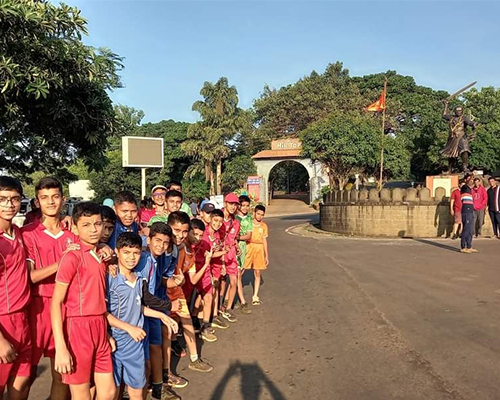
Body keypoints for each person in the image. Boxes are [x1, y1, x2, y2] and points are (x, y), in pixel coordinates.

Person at [51, 202, 116, 400]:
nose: (94, 229)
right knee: (81, 394)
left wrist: (105, 333)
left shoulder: (101, 255)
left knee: (109, 392)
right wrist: (61, 347)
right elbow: (56, 303)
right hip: (78, 328)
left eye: (97, 224)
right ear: (75, 227)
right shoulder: (72, 257)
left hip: (99, 326)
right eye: (86, 225)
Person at [21, 177, 78, 400]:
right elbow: (31, 276)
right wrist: (62, 261)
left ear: (63, 199)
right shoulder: (28, 233)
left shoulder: (72, 235)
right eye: (45, 198)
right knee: (26, 373)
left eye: (55, 196)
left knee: (62, 372)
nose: (51, 202)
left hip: (65, 307)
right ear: (37, 202)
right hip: (37, 308)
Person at [106, 232, 178, 400]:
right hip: (113, 343)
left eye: (136, 253)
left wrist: (162, 316)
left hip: (135, 344)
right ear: (117, 251)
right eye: (126, 252)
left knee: (137, 390)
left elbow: (139, 306)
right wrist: (128, 328)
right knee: (111, 392)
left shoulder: (139, 279)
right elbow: (102, 313)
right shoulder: (109, 278)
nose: (132, 257)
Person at [135, 222, 180, 400]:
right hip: (140, 313)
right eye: (158, 240)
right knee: (142, 361)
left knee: (154, 348)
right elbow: (143, 295)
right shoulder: (144, 260)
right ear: (149, 239)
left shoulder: (153, 259)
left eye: (165, 242)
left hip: (150, 311)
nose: (161, 245)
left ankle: (158, 387)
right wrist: (168, 306)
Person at [166, 212, 213, 374]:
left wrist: (206, 263)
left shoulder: (188, 253)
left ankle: (194, 359)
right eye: (176, 230)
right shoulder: (161, 246)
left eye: (184, 231)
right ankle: (165, 374)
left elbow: (192, 280)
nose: (180, 235)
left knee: (186, 322)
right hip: (161, 296)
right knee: (165, 333)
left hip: (177, 293)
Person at [0, 176, 32, 399]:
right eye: (2, 199)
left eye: (14, 199)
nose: (9, 204)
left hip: (23, 319)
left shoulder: (17, 233)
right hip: (3, 322)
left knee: (20, 386)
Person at [219, 193, 241, 323]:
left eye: (235, 204)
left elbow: (234, 238)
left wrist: (237, 247)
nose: (233, 207)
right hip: (219, 254)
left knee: (234, 281)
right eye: (231, 204)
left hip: (231, 255)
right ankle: (218, 307)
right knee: (220, 282)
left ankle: (228, 308)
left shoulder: (236, 222)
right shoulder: (217, 219)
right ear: (225, 203)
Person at [441, 101, 478, 173]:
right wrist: (446, 105)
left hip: (462, 136)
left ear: (462, 111)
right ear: (454, 111)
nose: (458, 112)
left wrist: (474, 124)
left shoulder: (464, 118)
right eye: (457, 110)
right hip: (453, 138)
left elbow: (469, 122)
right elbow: (444, 115)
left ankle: (465, 167)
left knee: (465, 150)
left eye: (460, 110)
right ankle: (449, 169)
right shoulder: (451, 117)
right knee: (451, 154)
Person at [243, 205, 269, 305]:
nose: (260, 216)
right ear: (254, 213)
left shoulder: (264, 226)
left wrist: (266, 255)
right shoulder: (248, 223)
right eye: (258, 214)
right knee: (242, 269)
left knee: (257, 272)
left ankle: (255, 295)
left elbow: (264, 240)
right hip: (249, 246)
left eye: (262, 215)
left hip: (259, 248)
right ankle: (235, 291)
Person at [235, 195, 252, 314]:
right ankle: (242, 301)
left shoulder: (249, 219)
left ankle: (228, 300)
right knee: (237, 275)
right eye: (243, 205)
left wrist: (237, 237)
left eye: (247, 205)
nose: (245, 208)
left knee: (238, 275)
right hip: (234, 248)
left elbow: (248, 236)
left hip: (243, 248)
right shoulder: (234, 218)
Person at [459, 176, 477, 254]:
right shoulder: (464, 187)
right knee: (466, 229)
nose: (472, 181)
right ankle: (463, 247)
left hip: (470, 210)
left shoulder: (469, 189)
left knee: (470, 230)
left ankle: (469, 246)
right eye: (470, 179)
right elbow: (468, 182)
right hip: (466, 210)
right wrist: (472, 175)